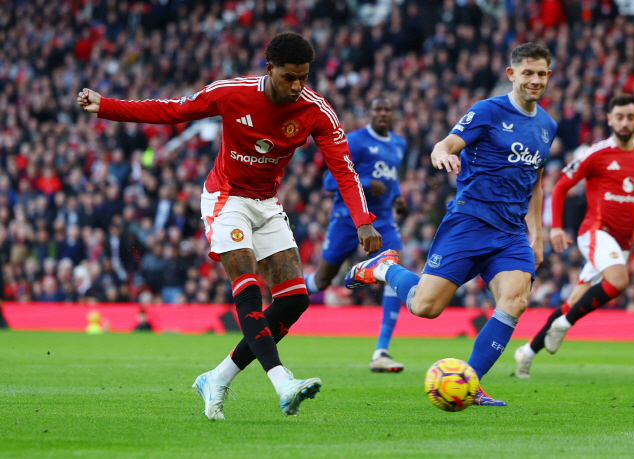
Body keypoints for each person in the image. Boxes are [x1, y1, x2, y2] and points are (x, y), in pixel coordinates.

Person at [77, 33, 382, 419]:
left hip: (267, 204)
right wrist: (106, 107)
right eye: (290, 77)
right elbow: (173, 111)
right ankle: (282, 382)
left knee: (295, 300)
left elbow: (344, 167)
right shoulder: (231, 93)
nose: (297, 86)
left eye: (304, 77)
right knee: (249, 287)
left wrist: (363, 222)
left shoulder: (316, 111)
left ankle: (218, 377)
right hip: (226, 197)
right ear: (268, 68)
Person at [344, 43, 557, 406]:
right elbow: (446, 143)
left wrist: (536, 236)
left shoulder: (547, 126)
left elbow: (534, 180)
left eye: (541, 74)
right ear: (512, 75)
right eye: (528, 73)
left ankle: (470, 383)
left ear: (548, 76)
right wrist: (442, 154)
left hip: (510, 233)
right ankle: (383, 268)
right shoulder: (488, 111)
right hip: (470, 221)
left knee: (516, 301)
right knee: (426, 307)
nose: (535, 80)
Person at [514, 94, 634, 378]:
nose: (624, 122)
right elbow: (559, 188)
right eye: (619, 117)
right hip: (595, 233)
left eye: (630, 117)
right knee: (619, 281)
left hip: (623, 242)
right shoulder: (596, 153)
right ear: (609, 119)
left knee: (575, 299)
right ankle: (565, 323)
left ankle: (528, 351)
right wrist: (555, 227)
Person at [305, 96, 408, 372]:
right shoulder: (355, 141)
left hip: (383, 221)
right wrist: (365, 183)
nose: (383, 113)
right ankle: (283, 289)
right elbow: (329, 180)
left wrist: (398, 197)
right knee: (322, 280)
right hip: (348, 218)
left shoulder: (399, 144)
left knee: (394, 271)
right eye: (378, 109)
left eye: (388, 109)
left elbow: (392, 177)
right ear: (370, 114)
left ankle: (381, 352)